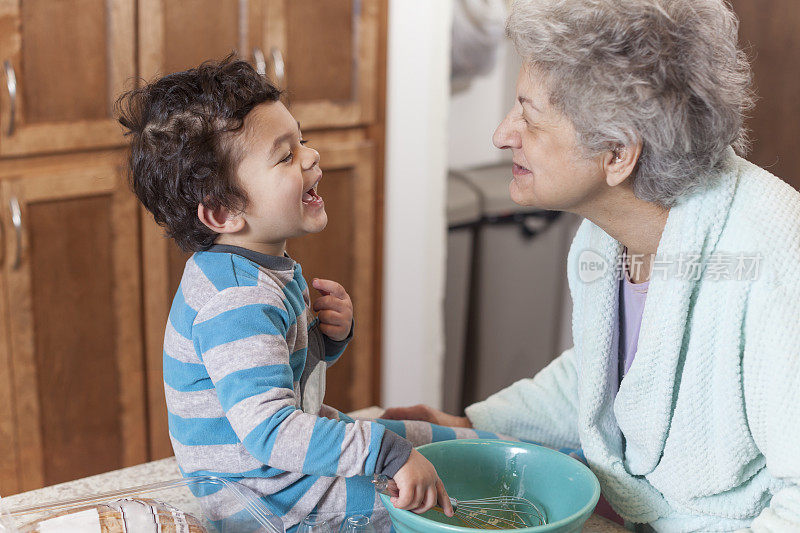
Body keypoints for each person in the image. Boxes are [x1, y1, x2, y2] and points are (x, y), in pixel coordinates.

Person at [385, 0, 800, 531]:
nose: (502, 134)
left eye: (529, 119)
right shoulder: (603, 239)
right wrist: (471, 423)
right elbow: (602, 377)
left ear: (617, 153)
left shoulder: (771, 257)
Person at [115, 57, 461, 531]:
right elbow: (271, 431)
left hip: (276, 471)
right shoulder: (237, 298)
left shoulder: (254, 268)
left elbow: (282, 374)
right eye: (285, 155)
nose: (311, 156)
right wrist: (385, 455)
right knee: (427, 497)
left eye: (302, 139)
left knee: (427, 443)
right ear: (222, 212)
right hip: (262, 499)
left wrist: (325, 341)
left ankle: (564, 459)